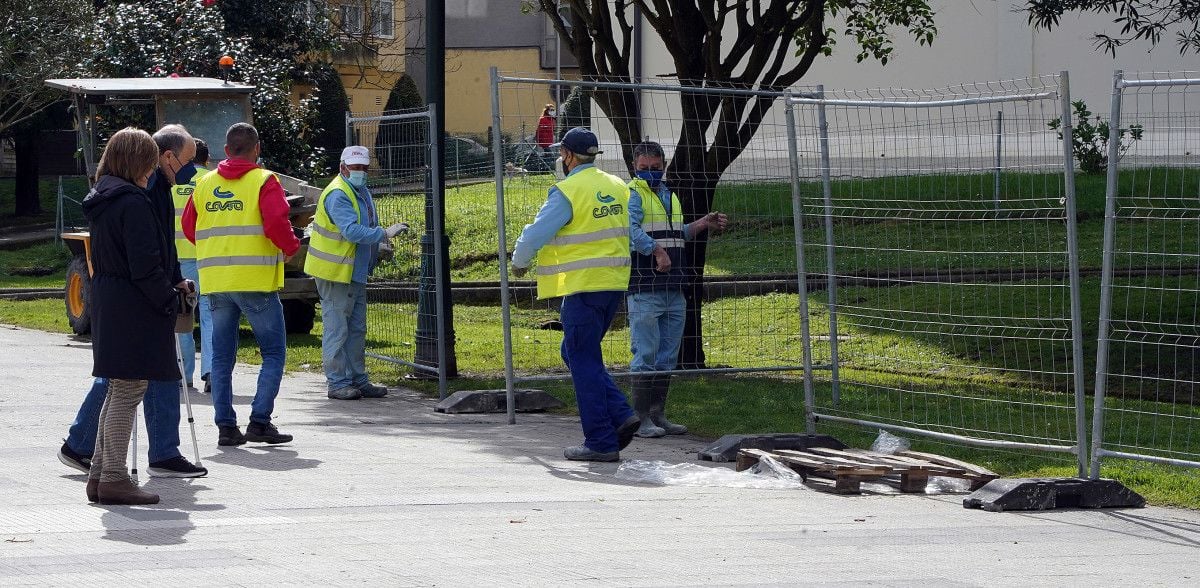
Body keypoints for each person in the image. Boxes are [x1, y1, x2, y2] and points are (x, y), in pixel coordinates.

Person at [57, 125, 208, 481]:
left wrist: (170, 280)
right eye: (186, 161)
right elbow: (145, 254)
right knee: (128, 382)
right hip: (138, 301)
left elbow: (159, 246)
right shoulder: (141, 192)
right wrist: (167, 295)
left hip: (125, 298)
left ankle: (103, 460)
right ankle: (109, 466)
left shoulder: (126, 191)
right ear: (163, 157)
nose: (189, 170)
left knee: (127, 379)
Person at [511, 127, 640, 462]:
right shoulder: (617, 185)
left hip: (582, 287)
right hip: (613, 284)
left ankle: (600, 442)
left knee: (582, 360)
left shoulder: (567, 190)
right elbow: (630, 230)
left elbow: (535, 233)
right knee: (575, 352)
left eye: (561, 153)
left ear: (568, 155)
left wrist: (519, 262)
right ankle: (621, 413)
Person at [183, 122, 300, 447]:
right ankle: (260, 422)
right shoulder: (264, 181)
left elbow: (190, 227)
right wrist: (290, 247)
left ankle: (226, 428)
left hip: (217, 283)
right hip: (256, 282)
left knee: (221, 357)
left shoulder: (205, 184)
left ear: (226, 148)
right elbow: (277, 220)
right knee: (273, 353)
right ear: (256, 148)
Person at [625, 141, 727, 438]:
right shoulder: (632, 195)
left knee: (667, 355)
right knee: (645, 352)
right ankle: (640, 418)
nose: (649, 174)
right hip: (644, 286)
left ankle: (658, 415)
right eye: (643, 169)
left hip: (673, 287)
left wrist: (703, 223)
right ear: (634, 167)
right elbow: (629, 231)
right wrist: (655, 250)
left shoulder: (669, 195)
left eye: (655, 169)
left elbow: (676, 233)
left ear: (664, 166)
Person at [305, 145, 407, 400]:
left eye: (364, 168)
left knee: (356, 328)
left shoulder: (359, 190)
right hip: (336, 272)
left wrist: (375, 245)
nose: (360, 172)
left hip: (353, 271)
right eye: (355, 167)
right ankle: (338, 383)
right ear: (343, 167)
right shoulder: (339, 194)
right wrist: (383, 234)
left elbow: (361, 228)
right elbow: (351, 231)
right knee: (337, 329)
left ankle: (358, 380)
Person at [174, 139, 213, 393]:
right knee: (211, 317)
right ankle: (212, 373)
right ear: (206, 160)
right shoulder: (213, 181)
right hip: (210, 259)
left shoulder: (171, 182)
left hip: (177, 260)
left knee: (182, 318)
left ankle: (183, 375)